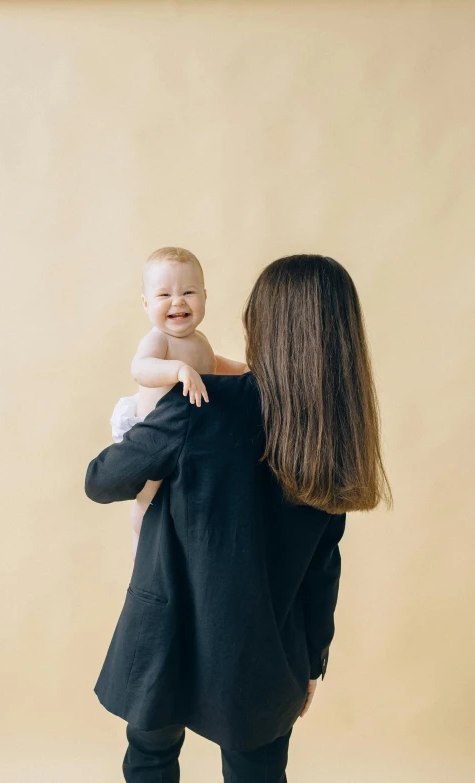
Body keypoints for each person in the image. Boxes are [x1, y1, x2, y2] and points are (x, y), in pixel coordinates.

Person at [85, 254, 393, 782]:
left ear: (266, 323)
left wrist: (141, 417)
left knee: (152, 757)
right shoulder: (334, 436)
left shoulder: (202, 403)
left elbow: (102, 481)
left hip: (167, 634)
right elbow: (324, 566)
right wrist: (312, 660)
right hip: (268, 650)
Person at [110, 246, 247, 560]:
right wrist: (178, 369)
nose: (178, 301)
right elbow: (140, 368)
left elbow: (215, 364)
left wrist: (245, 370)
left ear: (204, 297)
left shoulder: (199, 341)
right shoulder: (158, 339)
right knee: (148, 495)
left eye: (188, 291)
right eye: (164, 295)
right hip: (154, 435)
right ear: (146, 304)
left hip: (188, 442)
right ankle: (140, 549)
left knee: (178, 500)